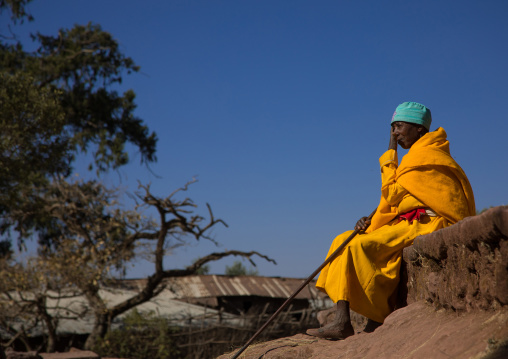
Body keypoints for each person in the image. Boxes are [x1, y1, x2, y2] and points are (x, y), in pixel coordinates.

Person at [306, 102, 476, 339]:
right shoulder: (415, 156)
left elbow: (392, 193)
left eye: (398, 127)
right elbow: (396, 201)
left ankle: (370, 316)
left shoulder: (425, 155)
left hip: (428, 224)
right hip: (405, 222)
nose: (394, 133)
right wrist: (372, 219)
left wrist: (390, 151)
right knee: (342, 240)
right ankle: (342, 320)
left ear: (419, 129)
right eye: (392, 129)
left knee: (356, 246)